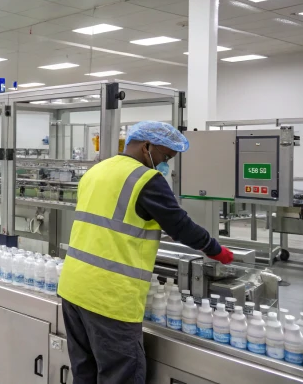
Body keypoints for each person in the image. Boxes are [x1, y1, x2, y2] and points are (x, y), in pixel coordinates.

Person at [57, 121, 234, 384]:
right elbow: (181, 225)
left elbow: (115, 217)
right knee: (121, 376)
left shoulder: (97, 170)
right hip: (110, 298)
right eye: (165, 156)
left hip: (73, 288)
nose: (165, 165)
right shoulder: (146, 179)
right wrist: (216, 250)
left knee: (85, 373)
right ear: (146, 146)